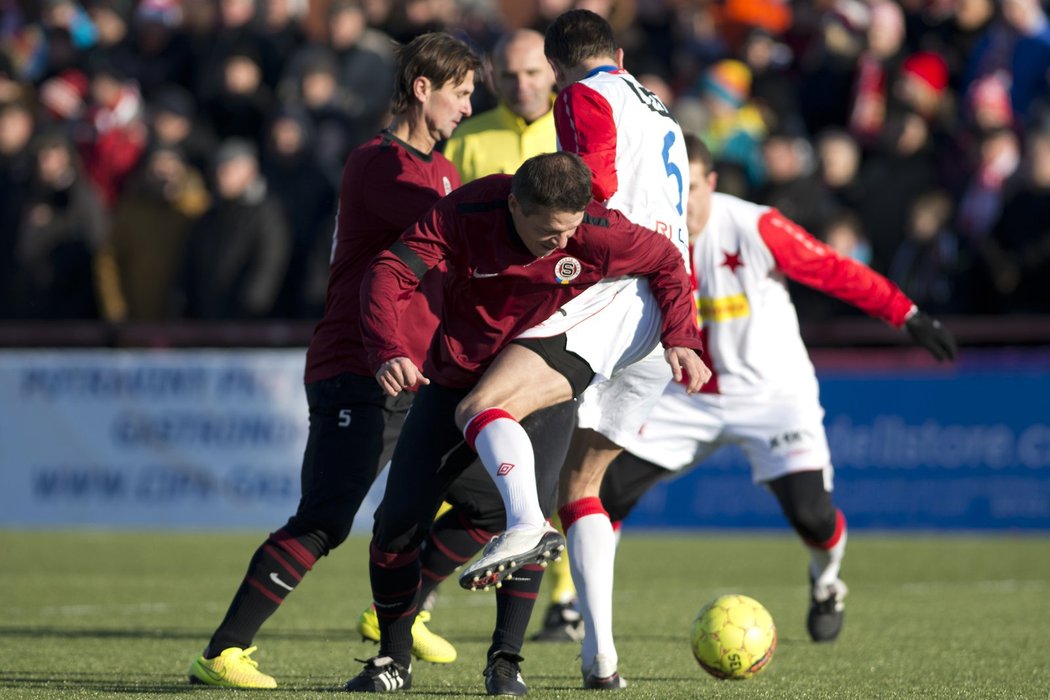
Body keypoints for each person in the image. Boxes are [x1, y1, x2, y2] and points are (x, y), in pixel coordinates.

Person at [344, 150, 706, 694]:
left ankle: (505, 663)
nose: (562, 244)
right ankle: (393, 660)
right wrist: (387, 349)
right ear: (514, 204)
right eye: (548, 232)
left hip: (543, 383)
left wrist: (683, 337)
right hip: (454, 380)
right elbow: (391, 270)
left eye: (571, 229)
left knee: (529, 520)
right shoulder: (467, 210)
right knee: (395, 524)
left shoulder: (599, 231)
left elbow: (669, 264)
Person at [185, 32, 480, 689]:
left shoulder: (444, 170)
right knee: (324, 520)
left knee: (488, 499)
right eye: (461, 93)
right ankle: (221, 653)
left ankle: (392, 617)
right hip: (360, 364)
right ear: (424, 88)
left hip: (418, 371)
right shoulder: (379, 163)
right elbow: (447, 232)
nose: (468, 106)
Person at [593, 134, 957, 652]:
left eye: (693, 186)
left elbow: (834, 270)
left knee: (812, 515)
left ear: (711, 183)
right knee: (605, 494)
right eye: (675, 188)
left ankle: (827, 583)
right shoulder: (646, 229)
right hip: (685, 396)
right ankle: (595, 630)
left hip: (773, 395)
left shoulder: (753, 224)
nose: (684, 200)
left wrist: (908, 314)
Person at [450, 10, 706, 688]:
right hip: (670, 290)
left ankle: (523, 524)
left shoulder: (582, 95)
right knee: (585, 485)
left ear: (559, 67)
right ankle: (602, 658)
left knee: (482, 405)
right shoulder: (662, 112)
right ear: (618, 51)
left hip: (621, 291)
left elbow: (594, 185)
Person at [442, 28, 556, 182]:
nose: (522, 85)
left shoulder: (580, 131)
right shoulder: (464, 138)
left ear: (554, 71)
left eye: (532, 73)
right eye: (509, 76)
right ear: (493, 79)